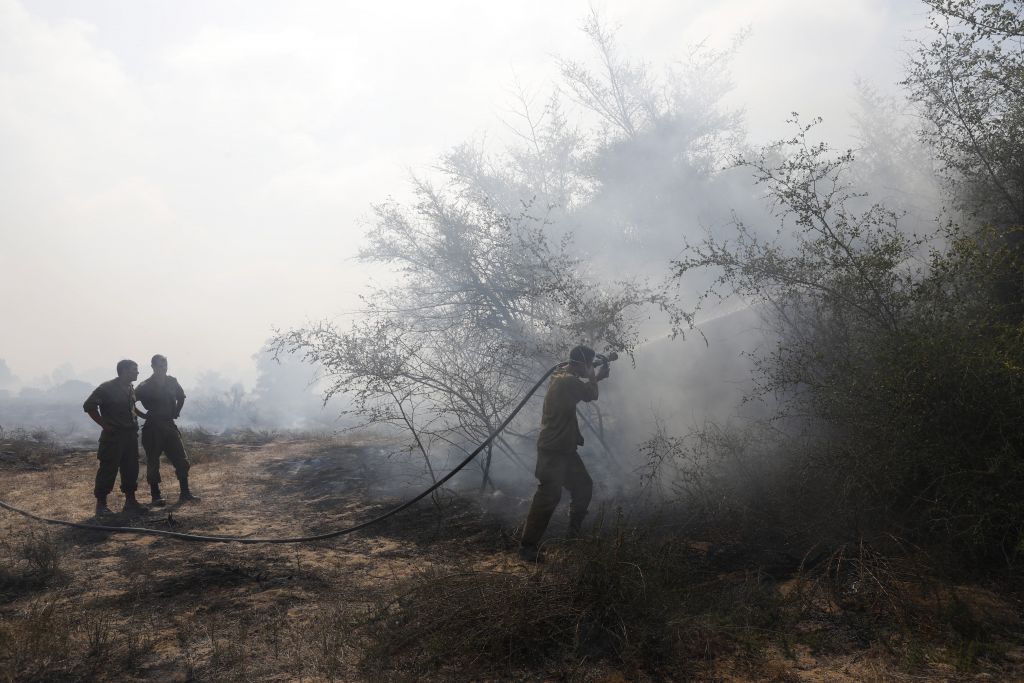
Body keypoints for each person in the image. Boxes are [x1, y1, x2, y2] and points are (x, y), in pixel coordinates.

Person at [519, 345, 610, 562]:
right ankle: (527, 548)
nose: (588, 369)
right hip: (553, 450)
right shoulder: (566, 381)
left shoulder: (561, 376)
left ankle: (573, 538)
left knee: (583, 487)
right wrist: (595, 377)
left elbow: (581, 389)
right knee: (549, 496)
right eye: (587, 365)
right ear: (581, 364)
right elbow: (591, 394)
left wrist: (591, 374)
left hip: (564, 449)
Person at [134, 354, 199, 505]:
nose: (163, 368)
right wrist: (142, 415)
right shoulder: (145, 385)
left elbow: (181, 397)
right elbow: (131, 401)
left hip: (169, 425)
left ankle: (185, 492)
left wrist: (176, 411)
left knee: (181, 459)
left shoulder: (172, 381)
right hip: (153, 427)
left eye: (165, 365)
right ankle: (155, 496)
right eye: (160, 366)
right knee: (153, 462)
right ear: (153, 367)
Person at [84, 359, 146, 516]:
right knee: (108, 469)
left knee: (131, 469)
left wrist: (144, 416)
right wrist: (104, 425)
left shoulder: (130, 388)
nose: (137, 372)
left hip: (130, 436)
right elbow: (89, 406)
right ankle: (101, 505)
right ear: (124, 370)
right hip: (113, 437)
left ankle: (130, 502)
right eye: (134, 369)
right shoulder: (107, 388)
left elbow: (131, 408)